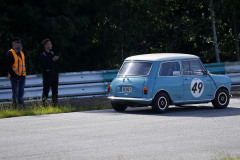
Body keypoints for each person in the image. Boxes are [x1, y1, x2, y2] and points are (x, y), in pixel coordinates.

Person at [6, 37, 26, 109]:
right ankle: (15, 108)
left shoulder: (21, 53)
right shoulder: (10, 53)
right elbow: (9, 67)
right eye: (18, 42)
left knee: (21, 94)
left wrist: (22, 75)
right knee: (15, 94)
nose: (20, 44)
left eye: (20, 42)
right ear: (13, 44)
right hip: (14, 77)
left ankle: (21, 108)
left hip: (22, 76)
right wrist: (14, 76)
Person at [40, 38, 59, 106]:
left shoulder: (52, 53)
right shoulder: (43, 54)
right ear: (46, 45)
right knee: (46, 90)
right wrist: (52, 60)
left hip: (54, 74)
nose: (51, 45)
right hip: (47, 74)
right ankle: (44, 105)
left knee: (55, 90)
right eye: (50, 44)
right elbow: (44, 64)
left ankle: (55, 105)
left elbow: (55, 64)